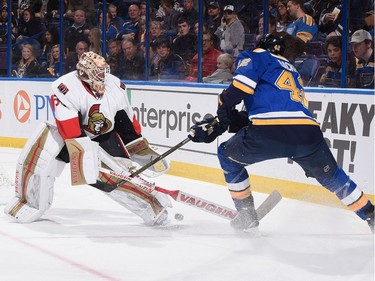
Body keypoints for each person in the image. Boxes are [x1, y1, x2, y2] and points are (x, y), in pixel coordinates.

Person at [188, 33, 374, 233]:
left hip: (269, 131)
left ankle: (246, 214)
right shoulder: (291, 70)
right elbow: (263, 111)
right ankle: (370, 214)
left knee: (227, 155)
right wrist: (224, 123)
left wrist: (222, 110)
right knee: (333, 176)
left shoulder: (256, 55)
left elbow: (240, 88)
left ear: (262, 45)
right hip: (308, 133)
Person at [4, 51, 172, 226]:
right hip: (65, 135)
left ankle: (152, 206)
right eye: (99, 72)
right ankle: (26, 202)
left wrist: (138, 146)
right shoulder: (66, 86)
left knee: (118, 175)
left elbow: (125, 121)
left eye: (104, 71)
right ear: (85, 72)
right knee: (39, 160)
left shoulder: (115, 85)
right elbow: (70, 129)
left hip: (104, 135)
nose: (104, 76)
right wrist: (86, 157)